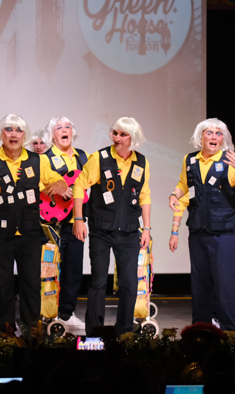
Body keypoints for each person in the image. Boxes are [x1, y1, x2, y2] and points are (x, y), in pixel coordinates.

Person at [0, 114, 67, 335]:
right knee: (3, 286)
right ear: (1, 133)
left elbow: (57, 180)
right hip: (1, 234)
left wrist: (59, 185)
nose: (13, 134)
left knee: (31, 285)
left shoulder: (38, 160)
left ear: (24, 135)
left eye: (18, 130)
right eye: (8, 129)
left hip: (29, 233)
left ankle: (33, 330)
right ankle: (6, 332)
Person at [168, 118, 235, 330]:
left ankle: (228, 329)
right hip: (198, 230)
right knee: (200, 283)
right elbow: (184, 185)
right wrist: (175, 195)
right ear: (201, 138)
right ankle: (200, 329)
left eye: (218, 133)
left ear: (223, 138)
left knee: (225, 283)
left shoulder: (230, 161)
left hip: (224, 233)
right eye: (209, 133)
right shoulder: (189, 160)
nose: (214, 136)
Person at [72, 117, 151, 335]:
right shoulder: (100, 158)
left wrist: (147, 228)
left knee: (128, 283)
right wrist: (79, 219)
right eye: (114, 133)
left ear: (133, 139)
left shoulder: (142, 162)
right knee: (97, 282)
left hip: (128, 231)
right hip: (101, 230)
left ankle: (124, 331)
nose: (116, 138)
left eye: (122, 134)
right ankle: (95, 331)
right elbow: (80, 185)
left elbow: (144, 195)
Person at [44, 116, 89, 328]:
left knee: (73, 270)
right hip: (51, 222)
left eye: (67, 127)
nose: (64, 130)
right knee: (49, 269)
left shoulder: (81, 156)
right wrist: (58, 188)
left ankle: (66, 313)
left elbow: (89, 184)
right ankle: (47, 312)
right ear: (52, 134)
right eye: (59, 127)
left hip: (75, 222)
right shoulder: (45, 158)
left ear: (72, 132)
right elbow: (37, 186)